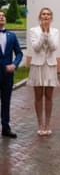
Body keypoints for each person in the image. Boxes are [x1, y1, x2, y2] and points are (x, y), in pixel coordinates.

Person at [27, 7, 60, 136]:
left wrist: (48, 33)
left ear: (51, 17)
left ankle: (48, 124)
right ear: (40, 17)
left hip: (50, 65)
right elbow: (36, 47)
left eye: (48, 14)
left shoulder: (55, 31)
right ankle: (40, 124)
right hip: (38, 65)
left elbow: (54, 47)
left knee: (49, 96)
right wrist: (42, 33)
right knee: (38, 96)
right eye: (43, 14)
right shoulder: (33, 30)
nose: (46, 16)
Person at [0, 10, 23, 138]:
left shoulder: (12, 36)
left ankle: (5, 127)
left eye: (3, 16)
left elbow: (19, 53)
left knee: (6, 101)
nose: (2, 18)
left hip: (7, 75)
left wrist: (14, 64)